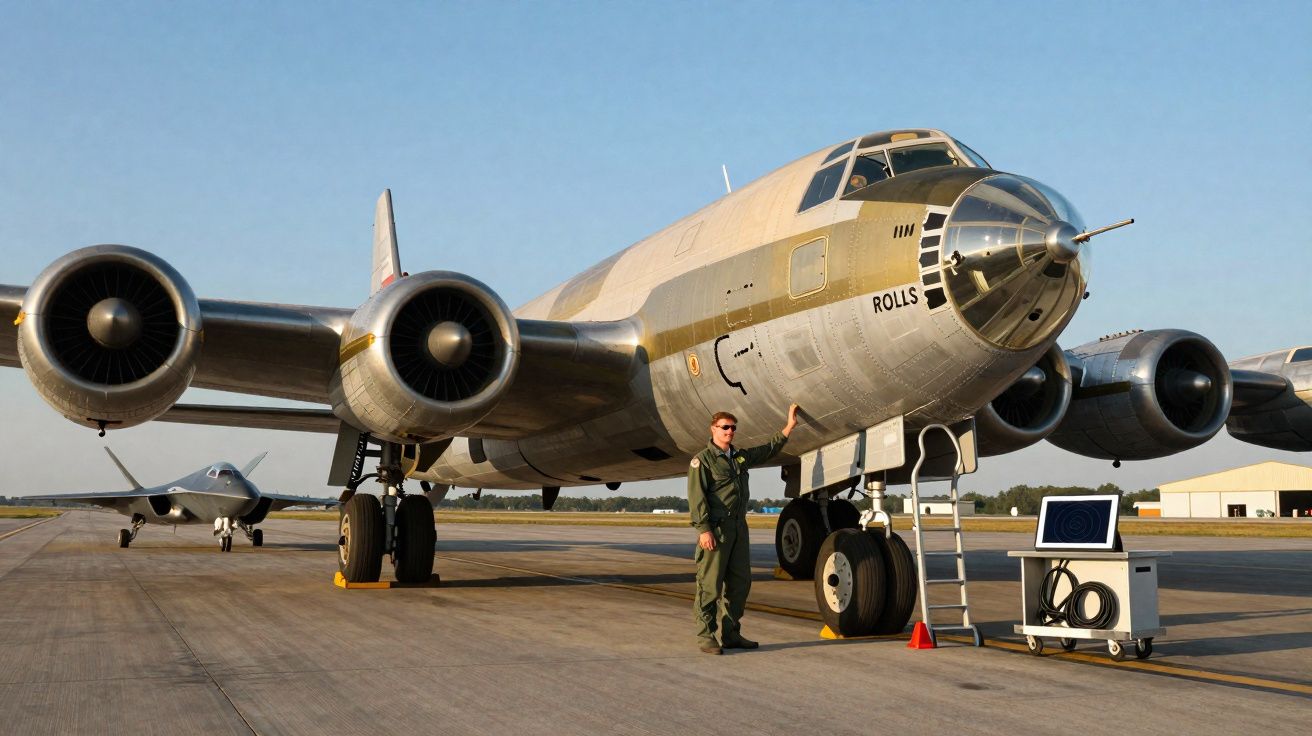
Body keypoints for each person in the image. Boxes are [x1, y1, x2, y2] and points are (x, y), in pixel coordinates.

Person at [687, 403, 800, 654]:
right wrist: (704, 529)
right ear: (713, 429)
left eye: (733, 428)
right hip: (716, 530)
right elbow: (697, 497)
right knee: (710, 586)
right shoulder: (702, 460)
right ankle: (706, 636)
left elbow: (767, 450)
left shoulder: (739, 457)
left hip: (739, 528)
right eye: (725, 427)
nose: (730, 431)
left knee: (740, 584)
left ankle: (731, 634)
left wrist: (789, 427)